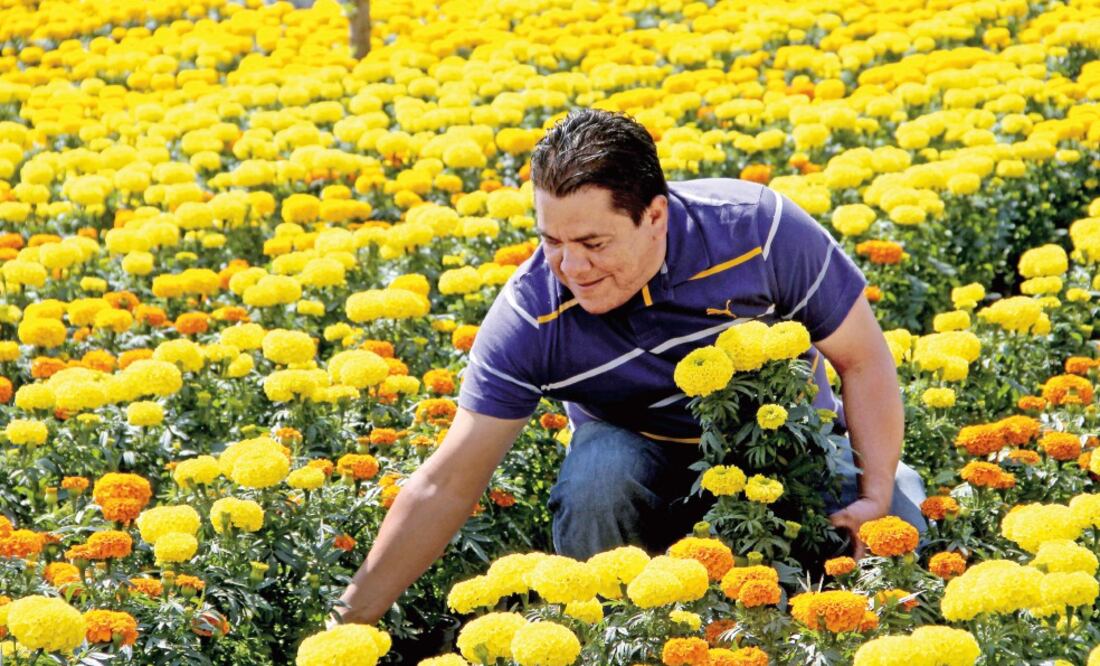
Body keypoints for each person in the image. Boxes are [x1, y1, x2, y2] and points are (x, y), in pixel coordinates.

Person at [333, 108, 926, 625]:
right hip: (642, 465)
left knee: (897, 527)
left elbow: (863, 359)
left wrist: (874, 495)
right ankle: (621, 634)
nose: (571, 267)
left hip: (783, 450)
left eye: (594, 243)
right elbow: (446, 483)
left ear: (655, 217)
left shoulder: (757, 231)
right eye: (551, 241)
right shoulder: (532, 316)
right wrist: (348, 619)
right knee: (597, 474)